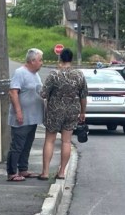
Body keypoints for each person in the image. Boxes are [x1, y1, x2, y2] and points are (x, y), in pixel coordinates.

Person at [38, 48, 88, 180]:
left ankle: (45, 172)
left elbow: (43, 93)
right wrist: (83, 112)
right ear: (71, 59)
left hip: (55, 110)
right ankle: (61, 172)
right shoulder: (79, 75)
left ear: (60, 59)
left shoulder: (54, 74)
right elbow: (83, 96)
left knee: (50, 140)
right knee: (66, 141)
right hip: (72, 110)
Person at [6, 48, 44, 182]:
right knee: (17, 145)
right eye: (40, 60)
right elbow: (13, 92)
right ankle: (11, 173)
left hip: (33, 117)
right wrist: (18, 111)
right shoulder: (20, 72)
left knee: (27, 144)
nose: (42, 63)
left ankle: (23, 169)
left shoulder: (36, 74)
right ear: (32, 61)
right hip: (22, 117)